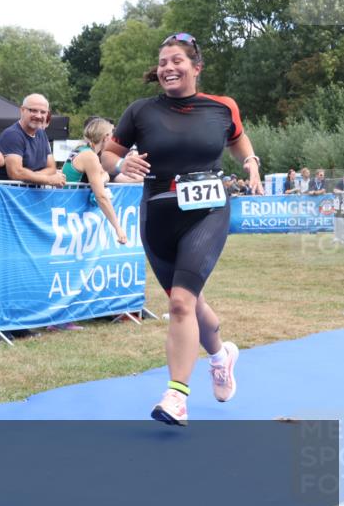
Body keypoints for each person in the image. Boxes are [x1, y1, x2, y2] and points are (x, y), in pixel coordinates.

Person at [103, 32, 262, 427]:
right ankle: (221, 356)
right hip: (157, 214)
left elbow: (239, 141)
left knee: (179, 304)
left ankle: (176, 395)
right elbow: (107, 154)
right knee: (189, 303)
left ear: (196, 67)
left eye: (176, 61)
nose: (168, 68)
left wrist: (252, 162)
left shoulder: (222, 108)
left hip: (207, 211)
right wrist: (121, 167)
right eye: (162, 63)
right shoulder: (140, 111)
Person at [62, 117, 128, 244]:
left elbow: (105, 174)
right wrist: (118, 228)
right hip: (69, 213)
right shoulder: (89, 156)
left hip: (68, 209)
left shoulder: (82, 148)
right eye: (112, 137)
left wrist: (102, 178)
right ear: (106, 137)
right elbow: (101, 196)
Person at [0, 93, 65, 186]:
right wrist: (48, 179)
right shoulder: (12, 135)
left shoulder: (41, 133)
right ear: (22, 110)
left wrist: (32, 177)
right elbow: (16, 173)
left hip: (29, 197)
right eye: (33, 110)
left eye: (43, 112)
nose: (38, 116)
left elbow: (51, 168)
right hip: (9, 197)